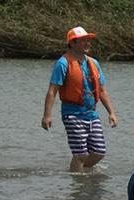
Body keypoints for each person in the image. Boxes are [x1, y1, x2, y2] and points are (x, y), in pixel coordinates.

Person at [42, 26, 118, 173]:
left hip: (91, 114)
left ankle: (77, 171)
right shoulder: (63, 63)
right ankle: (78, 183)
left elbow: (101, 90)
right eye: (83, 41)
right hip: (72, 114)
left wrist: (111, 112)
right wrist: (47, 115)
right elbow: (52, 91)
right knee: (81, 154)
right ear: (72, 42)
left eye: (88, 41)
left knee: (99, 152)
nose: (88, 44)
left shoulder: (93, 63)